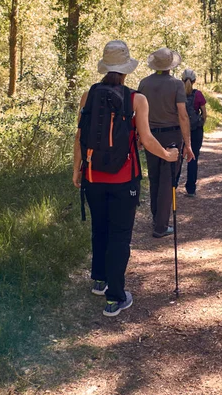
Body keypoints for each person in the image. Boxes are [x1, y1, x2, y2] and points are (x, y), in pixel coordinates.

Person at [73, 40, 178, 317]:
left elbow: (80, 137)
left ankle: (99, 280)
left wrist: (77, 169)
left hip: (92, 176)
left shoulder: (89, 95)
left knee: (100, 229)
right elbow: (147, 139)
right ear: (126, 69)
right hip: (123, 180)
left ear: (105, 67)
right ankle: (115, 297)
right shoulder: (136, 99)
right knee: (119, 236)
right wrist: (168, 155)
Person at [138, 47, 195, 238]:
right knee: (167, 180)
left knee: (154, 177)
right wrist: (188, 144)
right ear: (171, 65)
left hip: (150, 136)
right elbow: (183, 115)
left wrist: (139, 136)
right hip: (172, 136)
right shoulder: (176, 84)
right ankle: (161, 226)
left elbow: (138, 113)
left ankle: (157, 217)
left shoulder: (144, 83)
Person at [180, 69, 207, 197]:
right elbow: (204, 113)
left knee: (177, 159)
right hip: (195, 131)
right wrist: (201, 123)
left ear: (182, 80)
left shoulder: (178, 93)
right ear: (195, 81)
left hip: (180, 131)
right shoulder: (199, 95)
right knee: (193, 158)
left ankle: (173, 186)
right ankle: (191, 189)